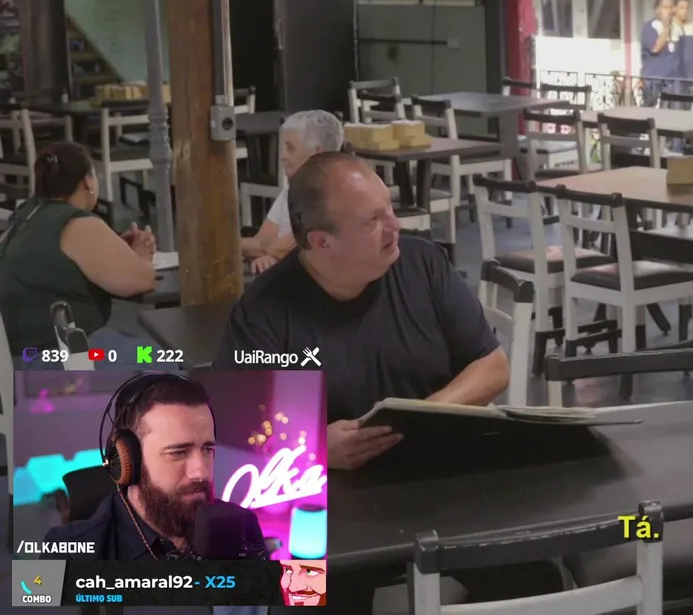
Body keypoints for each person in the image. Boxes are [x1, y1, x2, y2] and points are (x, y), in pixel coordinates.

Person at [214, 153, 548, 609]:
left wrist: (424, 414)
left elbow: (491, 366)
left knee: (536, 579)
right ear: (321, 242)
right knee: (305, 599)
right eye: (373, 221)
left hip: (443, 479)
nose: (395, 226)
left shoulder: (422, 263)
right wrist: (316, 450)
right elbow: (233, 440)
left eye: (389, 209)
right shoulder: (267, 312)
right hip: (325, 501)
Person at [42, 375, 268, 562]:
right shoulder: (68, 551)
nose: (201, 472)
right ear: (127, 460)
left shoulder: (243, 526)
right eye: (178, 452)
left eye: (207, 449)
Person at [0, 141, 161, 370]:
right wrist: (142, 256)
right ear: (88, 182)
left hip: (15, 361)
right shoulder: (77, 223)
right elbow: (140, 280)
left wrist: (118, 248)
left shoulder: (25, 217)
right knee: (160, 356)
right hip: (61, 361)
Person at [240, 110, 346, 274]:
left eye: (290, 149)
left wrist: (232, 246)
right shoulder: (291, 191)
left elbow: (285, 249)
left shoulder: (332, 198)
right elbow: (263, 241)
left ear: (317, 152)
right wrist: (267, 255)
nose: (282, 156)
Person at [640, 0, 679, 105]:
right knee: (649, 110)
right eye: (665, 7)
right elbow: (655, 48)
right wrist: (666, 28)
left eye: (671, 7)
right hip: (653, 79)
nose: (669, 11)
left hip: (671, 79)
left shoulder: (675, 27)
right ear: (657, 10)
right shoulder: (650, 27)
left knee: (670, 111)